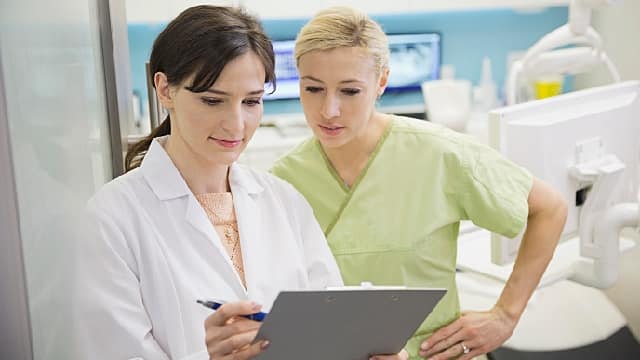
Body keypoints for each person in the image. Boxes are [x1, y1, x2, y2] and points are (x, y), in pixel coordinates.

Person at [70, 6, 411, 360]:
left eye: (252, 101)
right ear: (165, 89)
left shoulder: (284, 201)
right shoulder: (113, 218)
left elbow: (333, 337)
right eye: (213, 100)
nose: (236, 125)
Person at [271, 6, 568, 360]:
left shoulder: (439, 153)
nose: (328, 110)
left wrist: (505, 315)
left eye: (349, 91)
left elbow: (550, 208)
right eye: (313, 89)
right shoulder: (284, 179)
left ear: (381, 82)